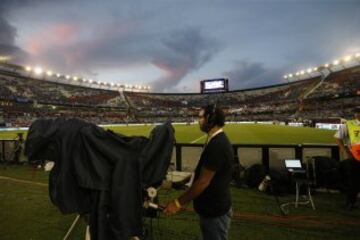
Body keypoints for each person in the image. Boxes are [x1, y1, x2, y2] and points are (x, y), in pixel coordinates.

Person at [164, 104, 234, 240]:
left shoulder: (217, 145)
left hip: (215, 211)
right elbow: (203, 173)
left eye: (201, 117)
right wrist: (183, 182)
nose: (198, 121)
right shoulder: (214, 140)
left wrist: (177, 203)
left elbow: (203, 182)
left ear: (210, 119)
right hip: (212, 208)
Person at [334, 106, 360, 210]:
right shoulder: (349, 124)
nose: (358, 114)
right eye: (357, 112)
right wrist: (345, 151)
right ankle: (350, 203)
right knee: (354, 181)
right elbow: (337, 137)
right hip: (354, 157)